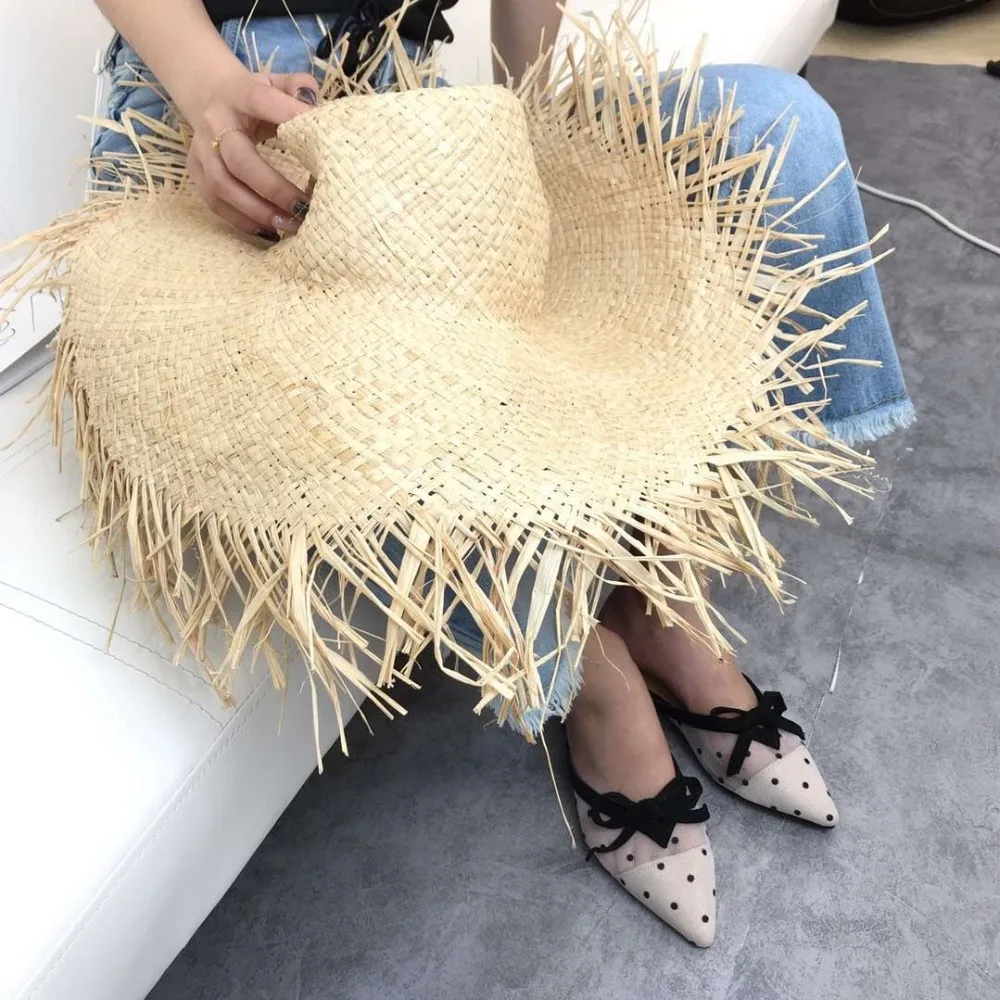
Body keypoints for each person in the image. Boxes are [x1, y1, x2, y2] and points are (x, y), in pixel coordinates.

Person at [91, 0, 914, 947]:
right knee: (393, 323)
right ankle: (592, 678)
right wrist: (206, 88)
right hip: (215, 117)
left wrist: (528, 142)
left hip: (410, 106)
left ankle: (655, 590)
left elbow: (526, 49)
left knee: (779, 127)